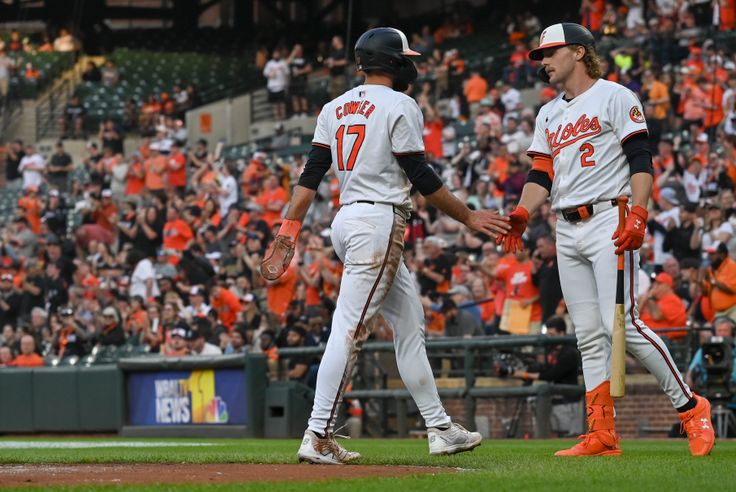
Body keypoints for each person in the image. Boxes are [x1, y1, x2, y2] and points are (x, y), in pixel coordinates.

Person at [260, 27, 510, 464]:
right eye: (405, 56)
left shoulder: (334, 107)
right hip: (377, 221)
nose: (410, 63)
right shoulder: (401, 103)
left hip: (347, 220)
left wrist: (289, 230)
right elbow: (422, 179)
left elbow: (309, 180)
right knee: (350, 329)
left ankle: (439, 428)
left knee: (409, 322)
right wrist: (469, 216)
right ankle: (317, 433)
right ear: (393, 61)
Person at [499, 22, 714, 456]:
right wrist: (524, 210)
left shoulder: (615, 96)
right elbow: (541, 174)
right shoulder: (547, 113)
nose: (542, 62)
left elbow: (640, 158)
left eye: (549, 52)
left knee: (625, 325)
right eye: (539, 56)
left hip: (608, 218)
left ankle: (691, 407)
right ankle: (602, 432)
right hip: (567, 225)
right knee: (588, 334)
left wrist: (639, 211)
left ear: (578, 52)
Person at [508, 316, 584, 436]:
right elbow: (545, 368)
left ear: (562, 333)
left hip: (569, 402)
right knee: (557, 434)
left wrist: (526, 374)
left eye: (552, 335)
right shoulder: (550, 349)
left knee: (569, 436)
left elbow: (552, 374)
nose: (550, 338)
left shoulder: (569, 352)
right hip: (556, 400)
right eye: (548, 334)